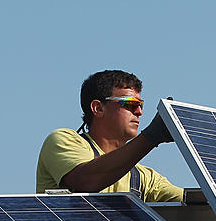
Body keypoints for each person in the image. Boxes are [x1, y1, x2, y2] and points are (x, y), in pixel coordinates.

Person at [36, 69, 189, 202]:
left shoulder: (144, 178)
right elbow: (87, 180)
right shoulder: (62, 140)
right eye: (130, 104)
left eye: (140, 105)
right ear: (98, 108)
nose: (139, 112)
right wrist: (151, 137)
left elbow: (193, 203)